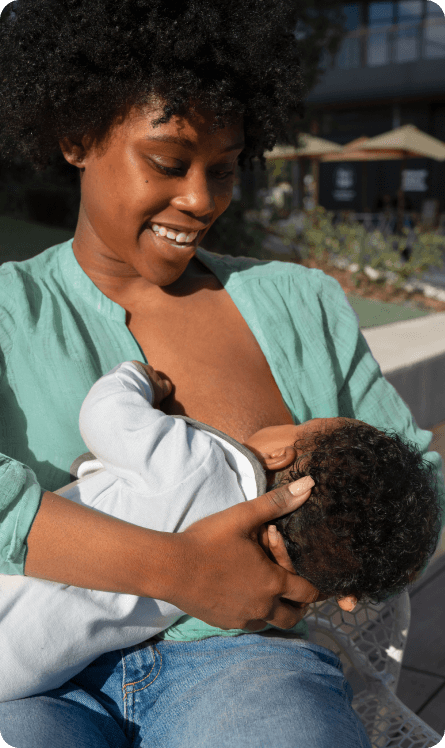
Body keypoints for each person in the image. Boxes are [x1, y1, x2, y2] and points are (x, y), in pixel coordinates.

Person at [0, 1, 443, 746]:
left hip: (247, 662)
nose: (202, 200)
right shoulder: (10, 310)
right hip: (33, 675)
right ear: (78, 137)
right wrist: (179, 569)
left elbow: (412, 481)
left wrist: (338, 557)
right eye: (168, 163)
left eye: (224, 168)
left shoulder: (300, 303)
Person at [0, 359, 440, 706]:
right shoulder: (244, 596)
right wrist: (349, 580)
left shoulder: (197, 462)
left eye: (304, 421)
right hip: (24, 673)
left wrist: (133, 377)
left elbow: (104, 416)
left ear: (276, 453)